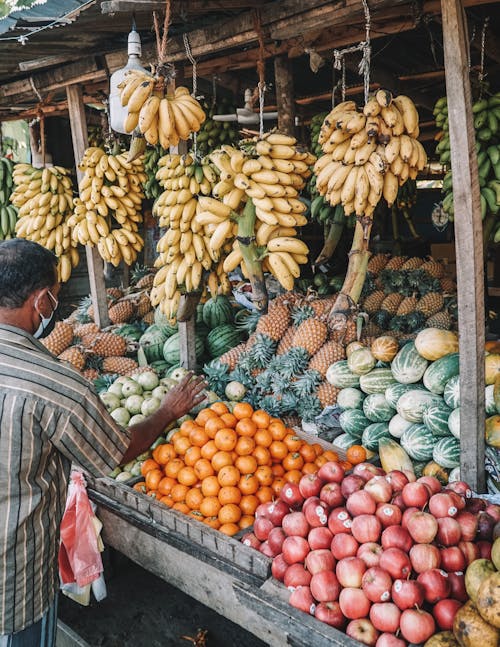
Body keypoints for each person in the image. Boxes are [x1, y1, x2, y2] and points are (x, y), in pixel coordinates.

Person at [0, 239, 207, 645]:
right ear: (41, 300)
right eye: (56, 298)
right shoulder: (55, 386)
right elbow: (115, 452)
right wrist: (167, 411)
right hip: (12, 578)